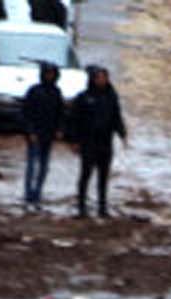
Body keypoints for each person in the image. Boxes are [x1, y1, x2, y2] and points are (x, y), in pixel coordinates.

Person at [65, 65, 127, 217]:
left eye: (105, 77)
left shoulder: (111, 97)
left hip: (105, 142)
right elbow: (73, 120)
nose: (103, 80)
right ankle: (81, 207)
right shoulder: (83, 98)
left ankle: (102, 207)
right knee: (85, 175)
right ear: (93, 79)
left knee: (103, 176)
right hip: (88, 142)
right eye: (99, 77)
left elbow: (116, 117)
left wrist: (122, 134)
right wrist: (73, 140)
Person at [21, 63, 65, 210]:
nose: (49, 76)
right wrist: (30, 132)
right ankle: (29, 194)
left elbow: (60, 113)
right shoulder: (34, 91)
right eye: (47, 74)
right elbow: (26, 113)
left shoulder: (57, 92)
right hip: (34, 135)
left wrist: (59, 129)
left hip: (48, 135)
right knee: (32, 166)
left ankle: (38, 193)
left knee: (44, 167)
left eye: (52, 74)